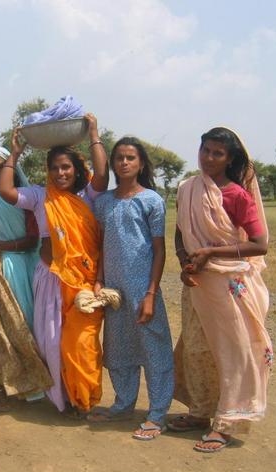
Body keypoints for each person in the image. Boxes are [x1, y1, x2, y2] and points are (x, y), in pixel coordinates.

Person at [0, 113, 109, 418]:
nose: (61, 173)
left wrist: (94, 134)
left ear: (75, 170)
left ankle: (83, 398)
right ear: (47, 171)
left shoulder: (89, 196)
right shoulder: (39, 197)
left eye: (66, 167)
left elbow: (102, 174)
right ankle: (65, 399)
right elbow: (6, 191)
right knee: (52, 341)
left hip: (83, 284)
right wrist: (15, 153)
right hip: (50, 278)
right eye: (55, 168)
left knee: (82, 344)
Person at [171, 127, 271, 453]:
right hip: (198, 284)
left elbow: (259, 244)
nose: (209, 158)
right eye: (205, 150)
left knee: (232, 354)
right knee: (197, 350)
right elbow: (179, 233)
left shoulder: (236, 195)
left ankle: (226, 422)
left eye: (217, 153)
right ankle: (200, 412)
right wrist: (186, 262)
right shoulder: (187, 188)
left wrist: (211, 253)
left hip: (229, 286)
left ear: (230, 159)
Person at [90, 137, 174, 440]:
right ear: (113, 163)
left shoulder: (152, 200)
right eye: (119, 158)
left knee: (154, 350)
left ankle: (157, 414)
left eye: (130, 158)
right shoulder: (103, 203)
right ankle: (124, 404)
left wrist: (151, 293)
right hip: (114, 291)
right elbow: (100, 244)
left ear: (140, 164)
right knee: (118, 348)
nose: (124, 163)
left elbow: (159, 250)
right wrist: (99, 279)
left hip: (142, 289)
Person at [0, 146, 52, 409]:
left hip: (22, 268)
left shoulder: (25, 199)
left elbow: (32, 239)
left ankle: (34, 385)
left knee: (23, 326)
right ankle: (10, 385)